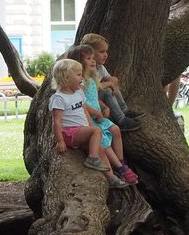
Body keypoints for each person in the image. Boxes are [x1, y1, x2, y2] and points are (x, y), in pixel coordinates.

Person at [48, 59, 129, 189]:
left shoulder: (79, 93)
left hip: (81, 131)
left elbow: (84, 110)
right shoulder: (59, 98)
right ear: (66, 77)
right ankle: (92, 158)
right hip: (69, 133)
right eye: (78, 75)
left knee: (101, 149)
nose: (82, 78)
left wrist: (90, 125)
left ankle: (111, 178)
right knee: (96, 131)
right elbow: (56, 121)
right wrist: (60, 141)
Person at [67, 45, 139, 185]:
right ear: (79, 63)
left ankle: (120, 161)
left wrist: (104, 107)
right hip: (89, 119)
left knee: (115, 130)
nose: (93, 61)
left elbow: (94, 98)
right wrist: (96, 113)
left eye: (93, 58)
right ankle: (121, 168)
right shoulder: (79, 83)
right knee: (104, 142)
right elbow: (82, 103)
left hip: (98, 116)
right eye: (88, 59)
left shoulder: (92, 80)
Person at [79, 33, 142, 132]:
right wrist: (109, 83)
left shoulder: (100, 67)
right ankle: (121, 120)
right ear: (89, 52)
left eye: (106, 51)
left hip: (97, 95)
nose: (105, 55)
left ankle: (124, 110)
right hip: (89, 100)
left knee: (111, 85)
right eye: (102, 51)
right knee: (108, 90)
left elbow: (110, 78)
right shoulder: (86, 68)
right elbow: (91, 87)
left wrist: (113, 81)